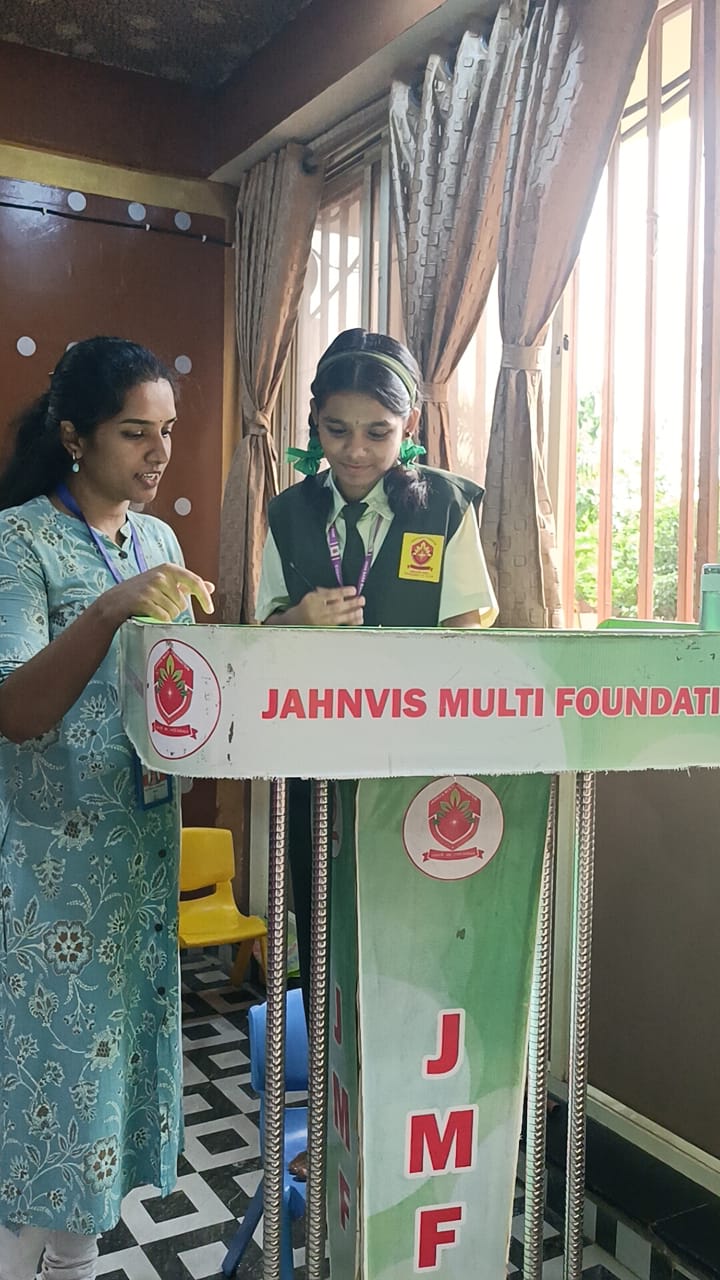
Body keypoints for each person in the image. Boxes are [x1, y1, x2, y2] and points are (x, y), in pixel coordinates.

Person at [255, 327, 498, 1177]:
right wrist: (297, 622)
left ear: (410, 429)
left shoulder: (447, 507)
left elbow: (469, 628)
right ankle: (334, 1141)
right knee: (325, 948)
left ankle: (405, 1140)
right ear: (313, 424)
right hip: (317, 771)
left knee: (412, 949)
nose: (355, 451)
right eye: (336, 430)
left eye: (377, 432)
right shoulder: (288, 513)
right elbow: (259, 636)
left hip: (418, 774)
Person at [0, 337, 214, 1280]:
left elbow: (182, 689)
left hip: (138, 861)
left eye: (168, 430)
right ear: (74, 436)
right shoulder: (19, 541)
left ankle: (78, 1262)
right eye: (135, 432)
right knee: (42, 1106)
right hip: (51, 875)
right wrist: (109, 609)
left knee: (98, 1115)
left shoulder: (157, 543)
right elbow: (15, 711)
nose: (160, 453)